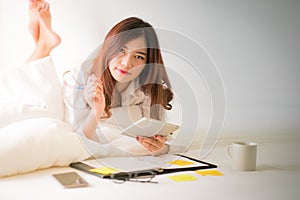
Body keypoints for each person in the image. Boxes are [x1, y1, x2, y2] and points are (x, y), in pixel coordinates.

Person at [26, 0, 184, 156]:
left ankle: (42, 43)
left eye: (139, 56)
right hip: (63, 106)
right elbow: (78, 139)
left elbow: (161, 138)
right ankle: (42, 45)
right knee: (39, 106)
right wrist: (95, 113)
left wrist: (161, 149)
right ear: (110, 47)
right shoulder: (84, 75)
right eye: (121, 50)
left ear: (148, 62)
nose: (127, 63)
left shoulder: (148, 87)